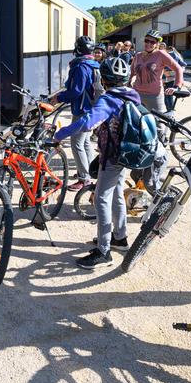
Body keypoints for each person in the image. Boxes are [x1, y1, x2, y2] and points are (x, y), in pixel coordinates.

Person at [53, 57, 141, 269]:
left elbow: (87, 122)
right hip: (127, 153)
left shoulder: (108, 99)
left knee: (101, 198)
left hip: (112, 155)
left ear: (103, 79)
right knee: (117, 193)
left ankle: (104, 252)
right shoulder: (133, 95)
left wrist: (60, 134)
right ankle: (119, 237)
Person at [49, 36, 100, 192]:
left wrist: (58, 97)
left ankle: (84, 179)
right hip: (92, 108)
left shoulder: (81, 67)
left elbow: (75, 91)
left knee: (76, 143)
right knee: (84, 143)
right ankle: (91, 171)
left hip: (82, 109)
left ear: (77, 49)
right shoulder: (93, 64)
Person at [129, 29, 183, 114]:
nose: (149, 44)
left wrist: (176, 86)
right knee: (136, 123)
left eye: (152, 42)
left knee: (158, 125)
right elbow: (132, 72)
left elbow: (178, 68)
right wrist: (129, 82)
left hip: (154, 96)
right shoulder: (138, 55)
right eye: (147, 40)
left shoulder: (161, 54)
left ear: (157, 44)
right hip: (137, 94)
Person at [163, 44, 187, 112]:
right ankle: (170, 110)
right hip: (168, 79)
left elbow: (182, 67)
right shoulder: (176, 55)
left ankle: (170, 111)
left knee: (168, 95)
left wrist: (171, 72)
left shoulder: (173, 55)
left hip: (171, 79)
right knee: (167, 96)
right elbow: (183, 65)